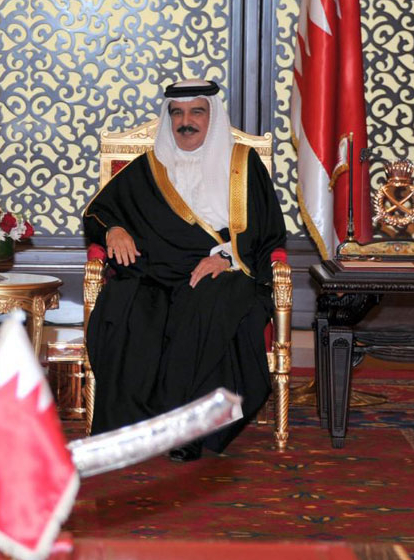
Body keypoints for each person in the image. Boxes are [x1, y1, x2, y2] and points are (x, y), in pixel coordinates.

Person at [83, 79, 286, 462]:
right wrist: (114, 229)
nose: (185, 122)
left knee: (207, 304)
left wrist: (226, 257)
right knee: (128, 307)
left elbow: (267, 230)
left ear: (213, 116)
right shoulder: (150, 167)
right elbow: (99, 211)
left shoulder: (243, 165)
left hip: (224, 269)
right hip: (156, 271)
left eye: (196, 112)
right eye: (177, 113)